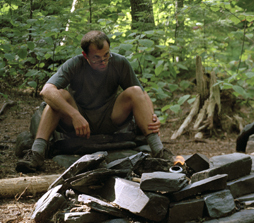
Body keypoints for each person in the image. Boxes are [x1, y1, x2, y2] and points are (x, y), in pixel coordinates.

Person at [16, 30, 170, 173]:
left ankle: (159, 152)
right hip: (78, 121)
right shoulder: (75, 64)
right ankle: (36, 154)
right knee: (58, 95)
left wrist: (152, 116)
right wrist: (75, 115)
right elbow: (47, 91)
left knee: (134, 91)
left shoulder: (120, 63)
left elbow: (142, 93)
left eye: (106, 55)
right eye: (97, 58)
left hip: (110, 118)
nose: (103, 61)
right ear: (85, 55)